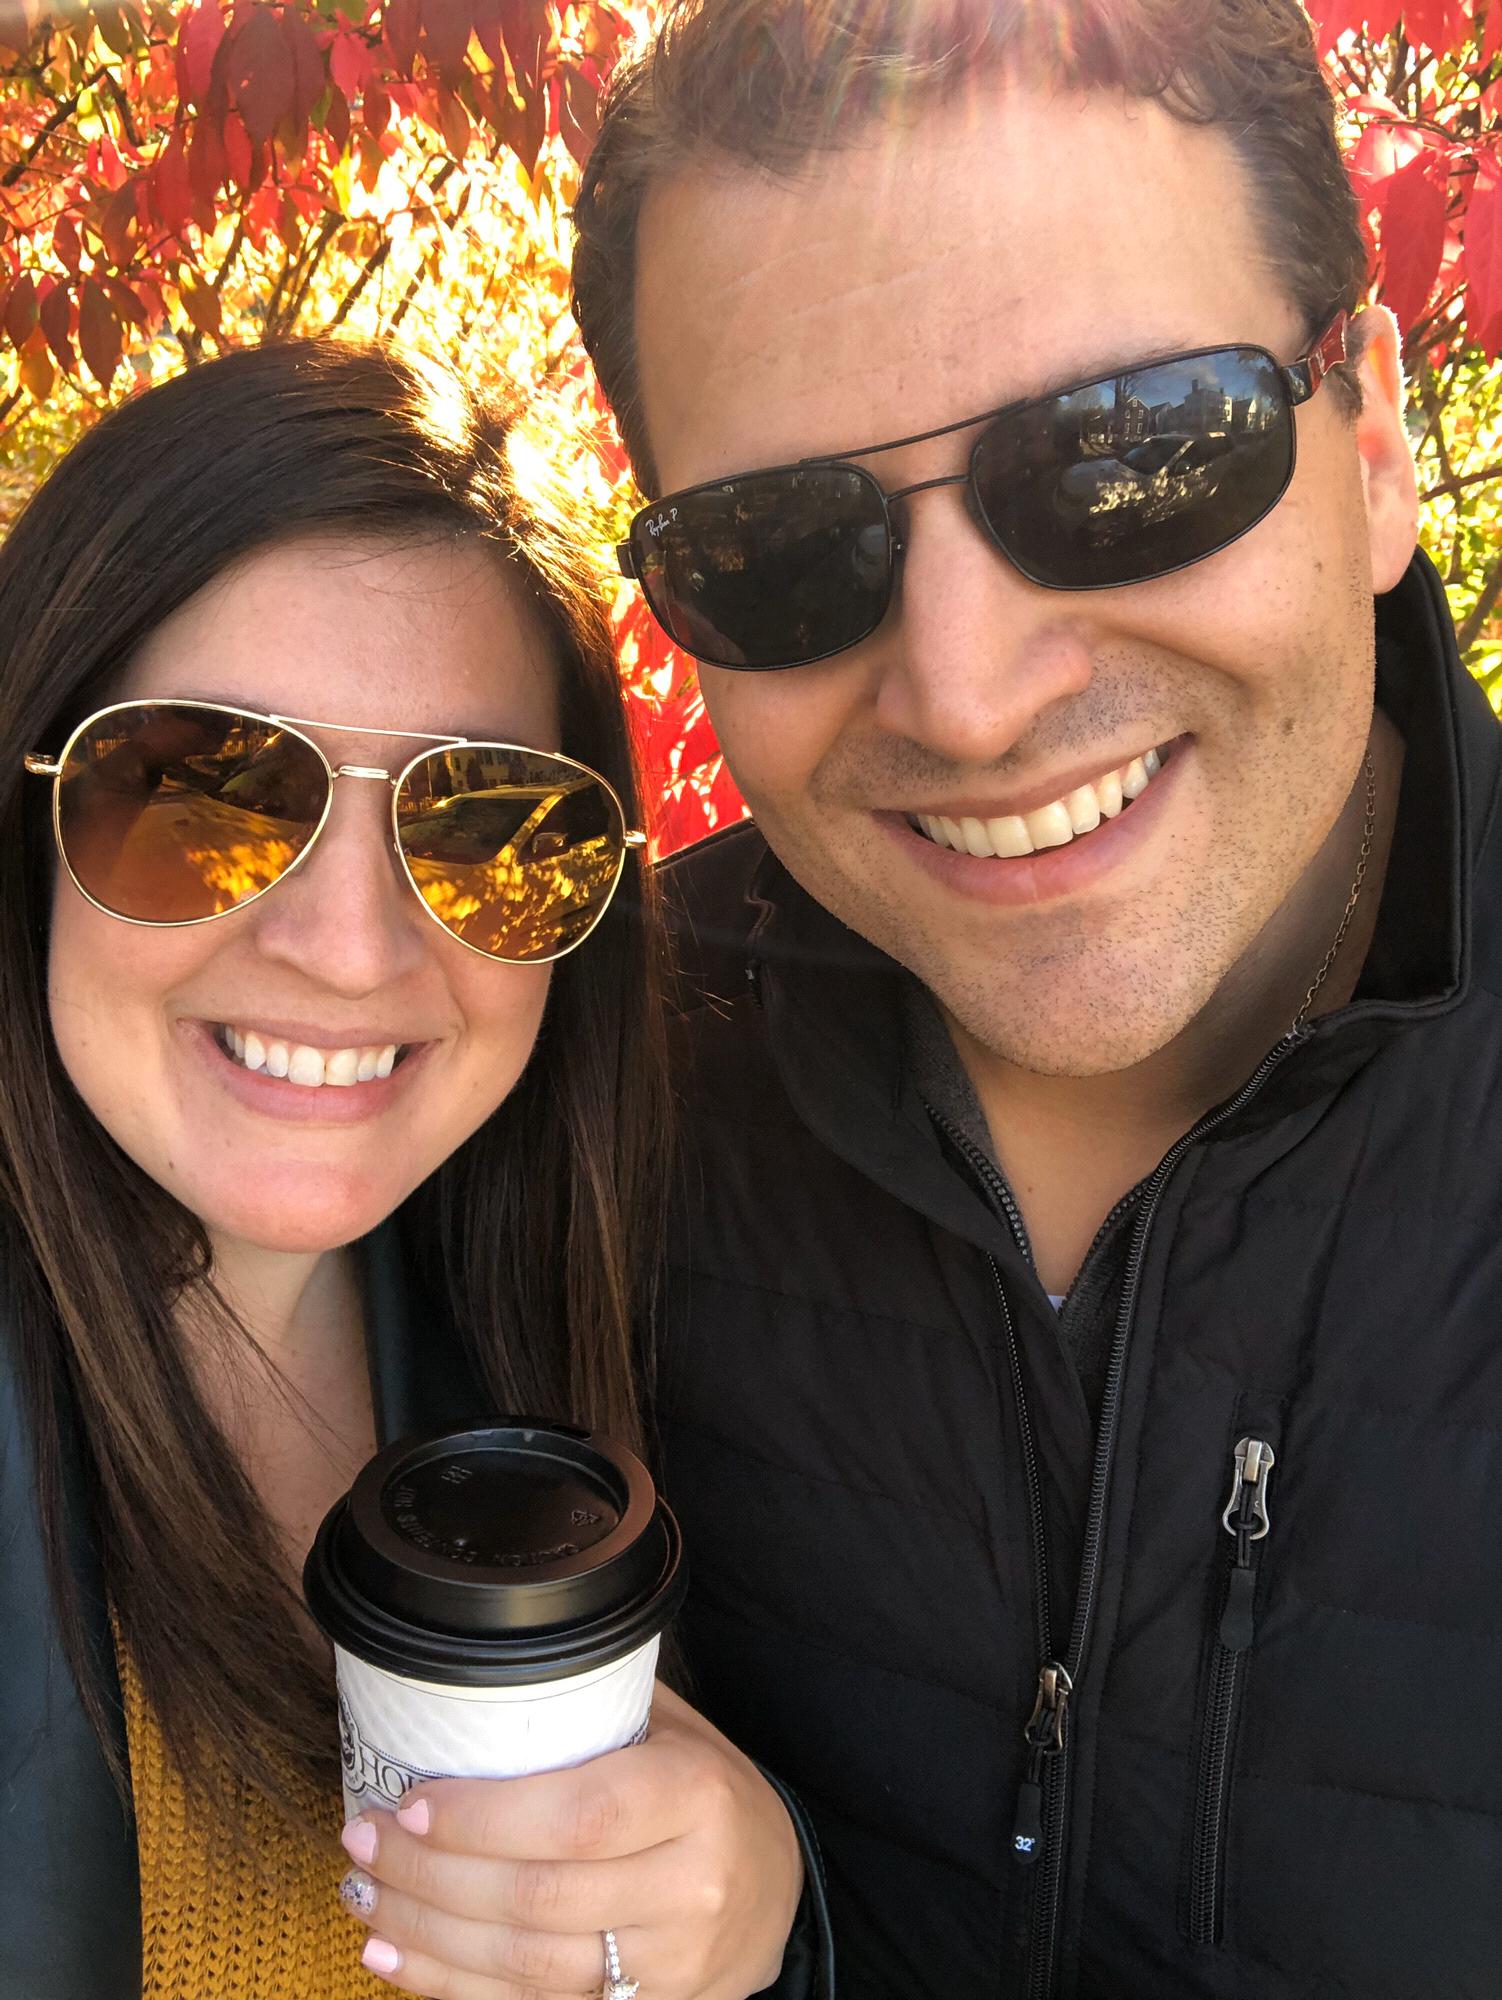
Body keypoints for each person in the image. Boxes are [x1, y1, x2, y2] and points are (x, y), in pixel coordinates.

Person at [572, 1, 1502, 1992]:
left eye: (1126, 453)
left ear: (1368, 442)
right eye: (779, 549)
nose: (968, 695)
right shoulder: (592, 1085)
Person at [0, 340, 805, 2000]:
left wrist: (750, 1921)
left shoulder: (601, 1340)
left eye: (487, 824)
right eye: (202, 790)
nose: (352, 950)